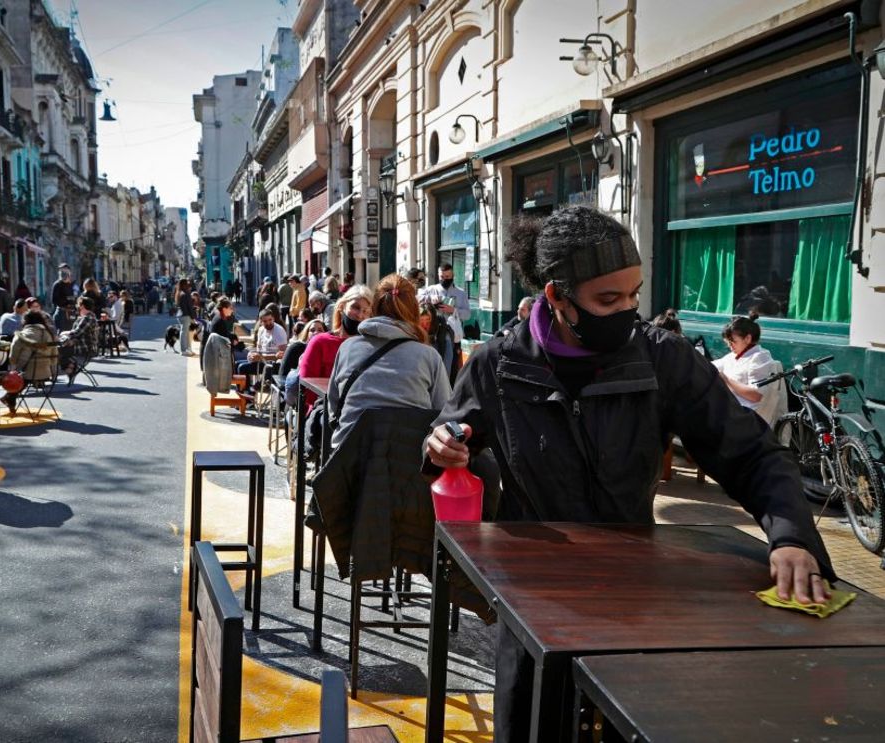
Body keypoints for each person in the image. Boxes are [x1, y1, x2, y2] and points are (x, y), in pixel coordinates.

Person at [422, 205, 835, 742]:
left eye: (635, 295)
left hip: (635, 599)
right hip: (534, 604)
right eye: (608, 300)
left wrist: (791, 536)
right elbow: (448, 437)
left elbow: (750, 454)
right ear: (557, 297)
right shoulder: (496, 364)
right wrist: (441, 446)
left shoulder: (663, 358)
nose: (628, 312)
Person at [328, 274, 450, 449]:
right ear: (414, 311)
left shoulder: (348, 348)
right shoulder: (429, 357)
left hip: (350, 455)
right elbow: (443, 414)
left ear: (374, 307)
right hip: (408, 461)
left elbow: (334, 406)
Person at [298, 284, 373, 413]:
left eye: (366, 311)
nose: (360, 315)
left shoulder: (371, 347)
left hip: (361, 415)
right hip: (324, 413)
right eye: (355, 307)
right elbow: (307, 390)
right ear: (342, 307)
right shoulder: (320, 342)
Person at [713, 312, 787, 427]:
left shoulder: (759, 357)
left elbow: (755, 395)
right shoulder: (734, 356)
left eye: (733, 342)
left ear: (747, 338)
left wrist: (726, 380)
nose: (730, 346)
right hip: (729, 409)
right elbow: (713, 366)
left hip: (745, 416)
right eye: (728, 343)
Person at [3, 310, 58, 415]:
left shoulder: (23, 334)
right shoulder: (49, 333)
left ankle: (10, 396)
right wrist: (53, 371)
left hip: (26, 373)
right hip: (45, 372)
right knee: (27, 372)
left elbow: (13, 357)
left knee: (21, 373)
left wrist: (13, 369)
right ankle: (9, 397)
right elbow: (54, 355)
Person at [237, 307, 288, 390]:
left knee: (242, 367)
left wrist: (261, 357)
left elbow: (282, 355)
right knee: (237, 364)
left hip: (272, 364)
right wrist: (253, 354)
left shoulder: (279, 331)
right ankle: (244, 393)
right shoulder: (261, 330)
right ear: (260, 322)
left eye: (270, 320)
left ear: (273, 319)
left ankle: (247, 395)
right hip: (262, 360)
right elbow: (259, 349)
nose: (268, 323)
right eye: (265, 321)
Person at [59, 296, 99, 382]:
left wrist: (64, 333)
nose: (77, 306)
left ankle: (70, 367)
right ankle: (70, 367)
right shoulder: (86, 316)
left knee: (59, 350)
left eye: (78, 304)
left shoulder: (88, 318)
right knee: (60, 349)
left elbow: (77, 332)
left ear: (82, 306)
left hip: (85, 347)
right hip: (81, 344)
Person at [51, 264, 75, 332]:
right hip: (62, 313)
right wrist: (67, 301)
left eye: (66, 272)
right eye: (62, 272)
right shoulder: (57, 284)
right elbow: (54, 300)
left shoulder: (69, 285)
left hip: (70, 312)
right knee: (61, 333)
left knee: (71, 332)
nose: (65, 274)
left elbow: (71, 298)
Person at [175, 278, 195, 356]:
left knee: (185, 333)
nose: (188, 284)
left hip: (180, 315)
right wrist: (193, 317)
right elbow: (189, 306)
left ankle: (187, 349)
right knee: (184, 333)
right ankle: (184, 350)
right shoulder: (186, 294)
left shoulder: (179, 293)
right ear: (184, 285)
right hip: (185, 315)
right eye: (187, 283)